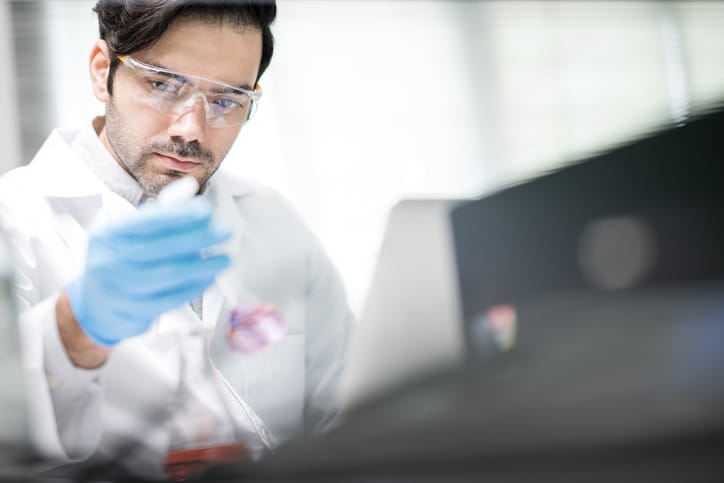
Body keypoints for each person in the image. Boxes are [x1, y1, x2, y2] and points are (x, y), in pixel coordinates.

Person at [0, 0, 353, 477]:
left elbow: (347, 409)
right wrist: (74, 329)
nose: (191, 130)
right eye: (163, 85)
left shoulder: (273, 221)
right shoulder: (14, 219)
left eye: (227, 100)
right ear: (102, 70)